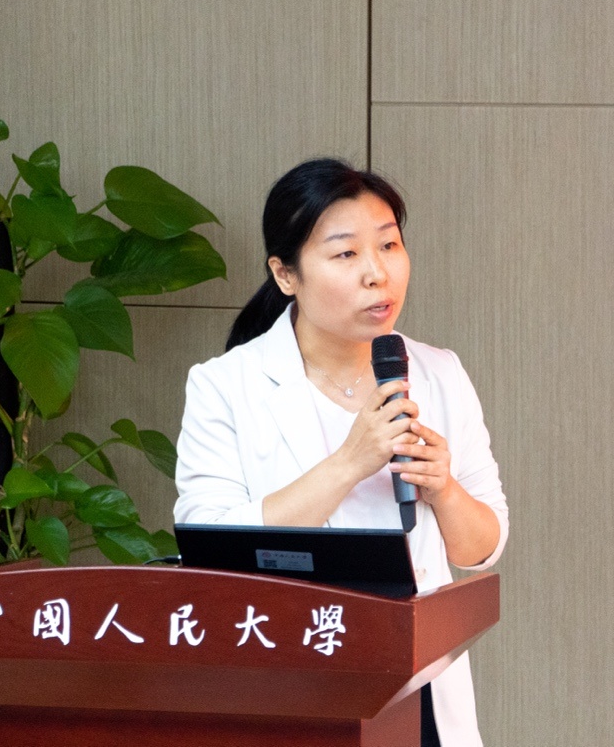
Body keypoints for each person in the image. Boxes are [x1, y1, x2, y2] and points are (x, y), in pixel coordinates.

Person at [174, 158, 509, 746]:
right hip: (286, 683)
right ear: (285, 274)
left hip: (418, 692)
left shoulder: (439, 373)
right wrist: (350, 463)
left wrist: (444, 490)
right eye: (346, 253)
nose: (377, 273)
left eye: (389, 245)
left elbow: (483, 548)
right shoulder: (224, 385)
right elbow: (209, 543)